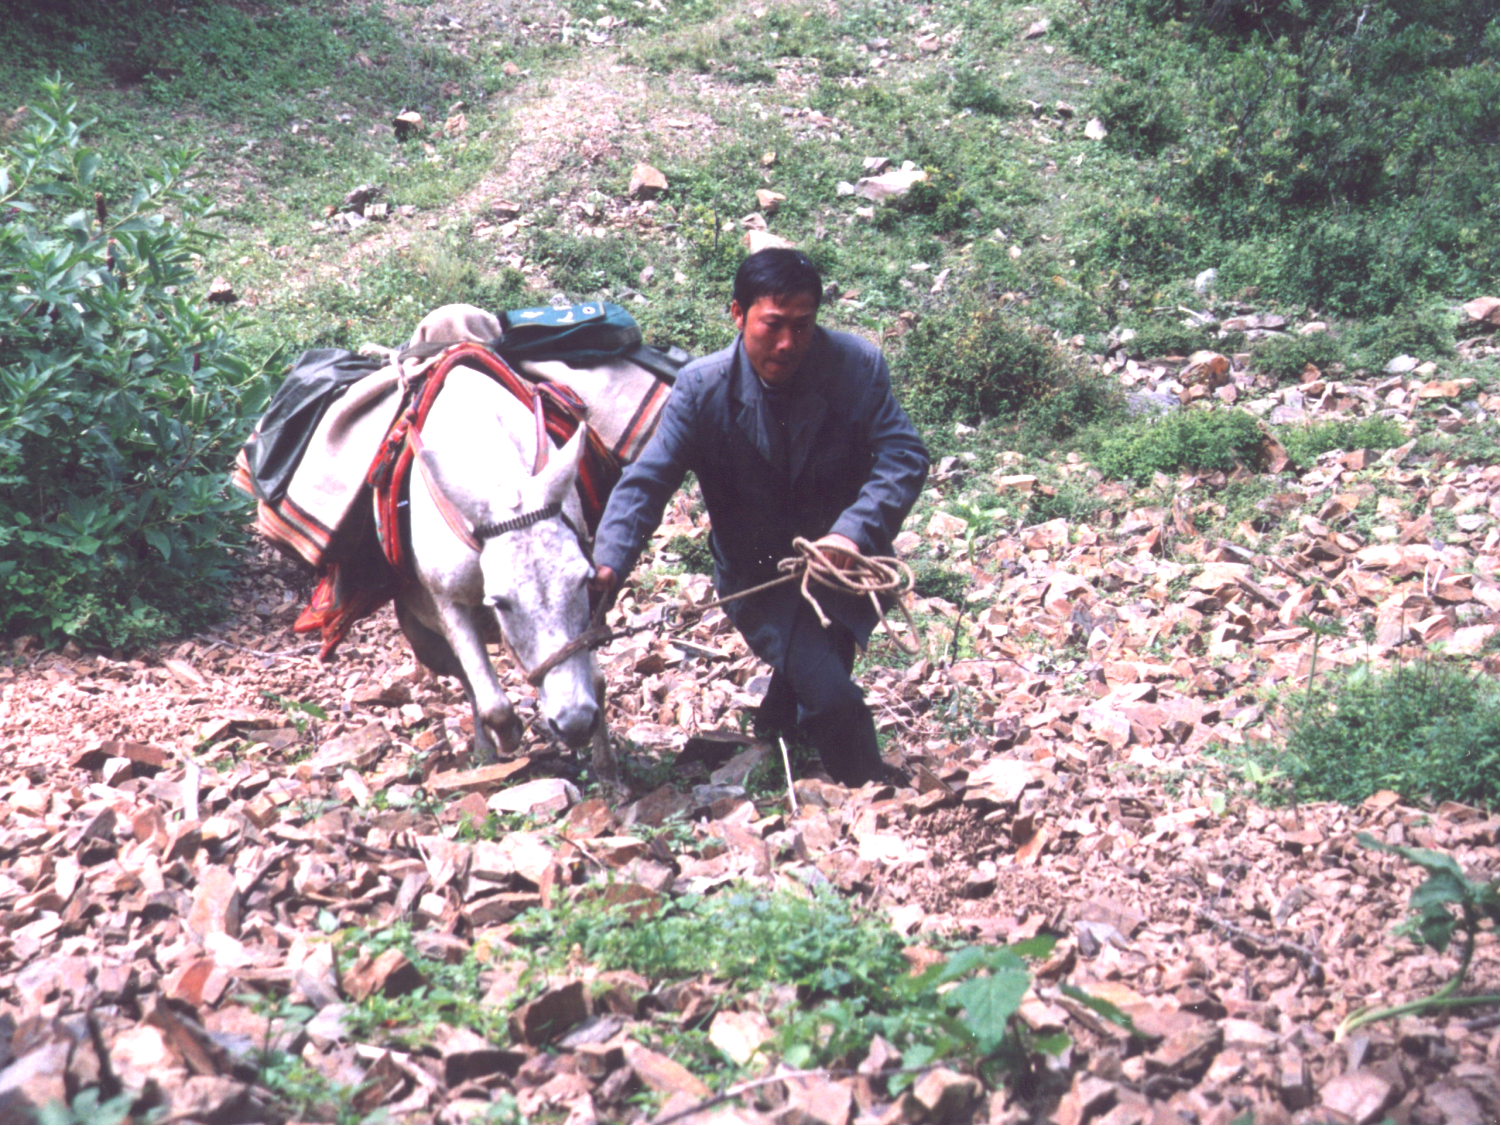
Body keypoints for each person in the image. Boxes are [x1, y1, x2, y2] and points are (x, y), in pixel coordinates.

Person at [589, 248, 930, 786]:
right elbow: (648, 480)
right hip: (759, 574)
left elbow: (904, 456)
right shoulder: (701, 389)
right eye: (773, 325)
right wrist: (609, 561)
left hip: (842, 567)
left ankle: (775, 726)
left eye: (803, 326)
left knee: (823, 659)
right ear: (737, 314)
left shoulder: (855, 367)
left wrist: (851, 531)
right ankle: (872, 787)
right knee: (833, 695)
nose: (788, 343)